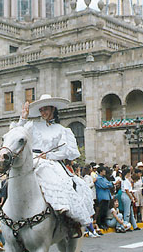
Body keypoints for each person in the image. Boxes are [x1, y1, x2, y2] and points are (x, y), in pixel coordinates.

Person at [17, 94, 94, 237]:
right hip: (32, 159)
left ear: (53, 109)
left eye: (45, 109)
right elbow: (17, 134)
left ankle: (66, 217)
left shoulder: (62, 130)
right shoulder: (33, 125)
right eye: (41, 110)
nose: (43, 113)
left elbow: (68, 152)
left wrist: (50, 156)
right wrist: (23, 118)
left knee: (63, 183)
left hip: (51, 162)